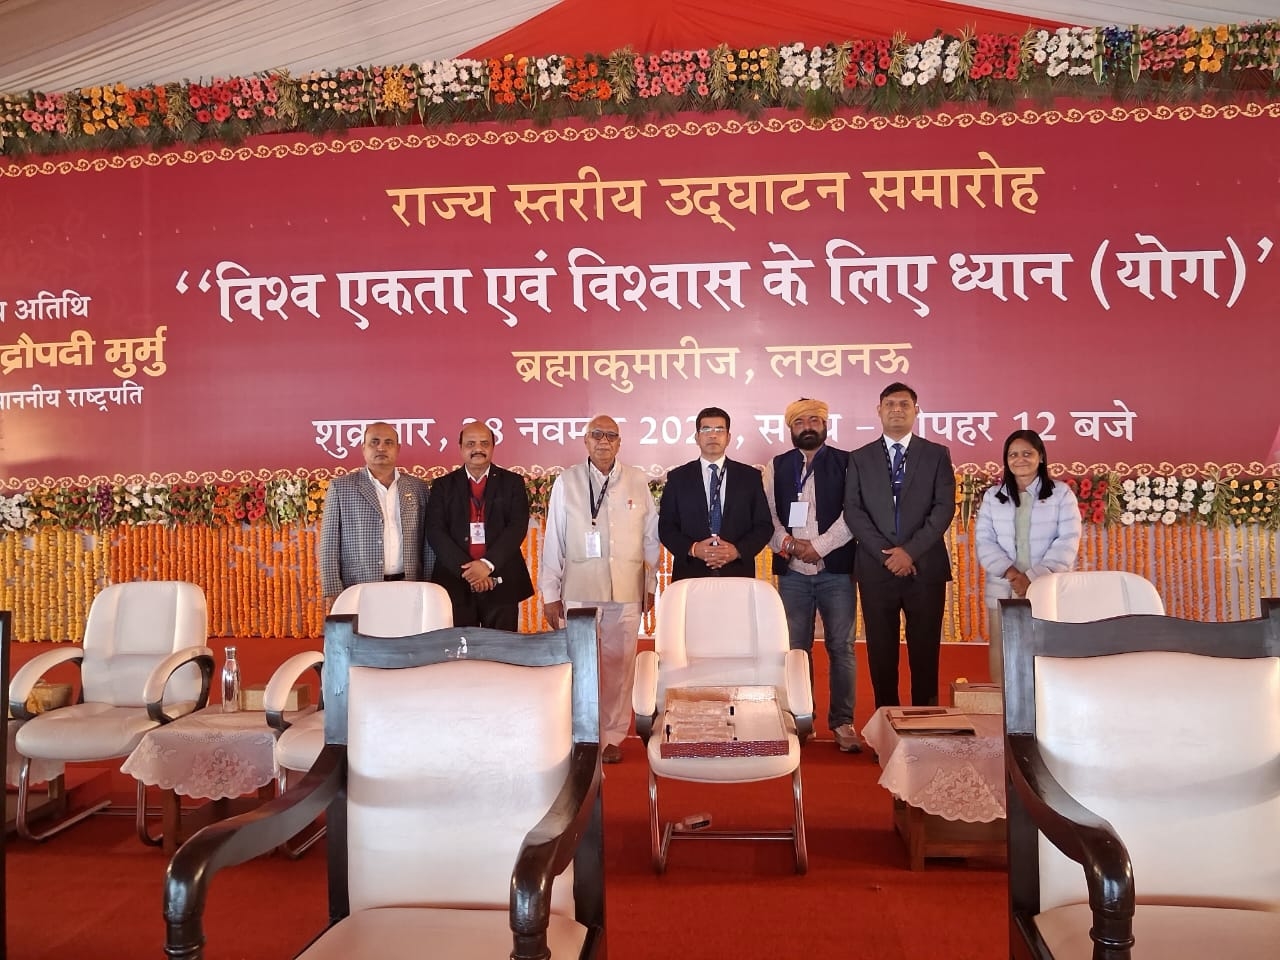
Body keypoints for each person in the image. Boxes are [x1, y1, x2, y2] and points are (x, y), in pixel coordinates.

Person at [540, 415, 660, 764]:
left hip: (626, 590)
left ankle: (611, 736)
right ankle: (581, 732)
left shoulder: (637, 480)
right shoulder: (567, 481)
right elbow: (554, 539)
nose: (604, 441)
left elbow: (650, 537)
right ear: (586, 441)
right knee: (581, 664)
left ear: (619, 442)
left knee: (620, 666)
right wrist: (550, 593)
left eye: (611, 435)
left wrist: (649, 584)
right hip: (580, 588)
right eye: (597, 435)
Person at [844, 383, 956, 708]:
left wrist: (910, 552)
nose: (897, 409)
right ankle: (886, 721)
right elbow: (853, 510)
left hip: (925, 568)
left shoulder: (936, 454)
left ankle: (925, 721)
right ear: (878, 410)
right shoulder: (859, 458)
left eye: (904, 404)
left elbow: (944, 507)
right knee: (881, 653)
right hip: (876, 569)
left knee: (925, 652)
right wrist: (887, 555)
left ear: (916, 411)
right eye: (890, 404)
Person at [762, 398, 861, 752]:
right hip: (792, 573)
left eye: (814, 420)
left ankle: (843, 722)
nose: (808, 426)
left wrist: (818, 546)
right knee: (795, 649)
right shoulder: (776, 466)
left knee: (842, 647)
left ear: (825, 424)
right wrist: (788, 543)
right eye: (800, 421)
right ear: (790, 428)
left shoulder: (848, 462)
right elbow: (767, 514)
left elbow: (853, 514)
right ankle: (801, 719)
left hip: (836, 570)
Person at [975, 429, 1082, 684]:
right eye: (1013, 455)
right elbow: (984, 541)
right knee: (1002, 651)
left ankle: (1046, 704)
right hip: (1004, 586)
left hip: (1046, 586)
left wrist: (1032, 578)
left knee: (1046, 650)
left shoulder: (1060, 493)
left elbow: (1067, 540)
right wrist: (1012, 574)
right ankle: (1005, 704)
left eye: (1027, 453)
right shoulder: (993, 496)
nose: (1020, 459)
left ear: (1041, 457)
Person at [425, 420, 534, 630]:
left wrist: (486, 565)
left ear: (493, 447)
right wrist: (470, 572)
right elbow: (435, 531)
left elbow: (517, 527)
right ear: (460, 447)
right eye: (471, 444)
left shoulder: (512, 482)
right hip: (456, 582)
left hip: (502, 580)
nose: (478, 449)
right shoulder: (443, 485)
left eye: (484, 443)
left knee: (501, 646)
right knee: (461, 646)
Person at [319, 421, 433, 601]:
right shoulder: (341, 487)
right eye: (374, 442)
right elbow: (329, 544)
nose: (381, 447)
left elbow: (428, 542)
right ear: (363, 448)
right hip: (359, 588)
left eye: (388, 442)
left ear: (398, 449)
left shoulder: (418, 487)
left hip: (410, 585)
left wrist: (429, 584)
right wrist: (333, 592)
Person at [658, 406, 773, 581]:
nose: (713, 435)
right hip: (691, 573)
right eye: (706, 430)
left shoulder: (749, 477)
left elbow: (763, 525)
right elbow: (666, 527)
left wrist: (737, 551)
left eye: (719, 430)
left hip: (737, 574)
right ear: (697, 437)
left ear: (728, 437)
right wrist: (693, 549)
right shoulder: (678, 478)